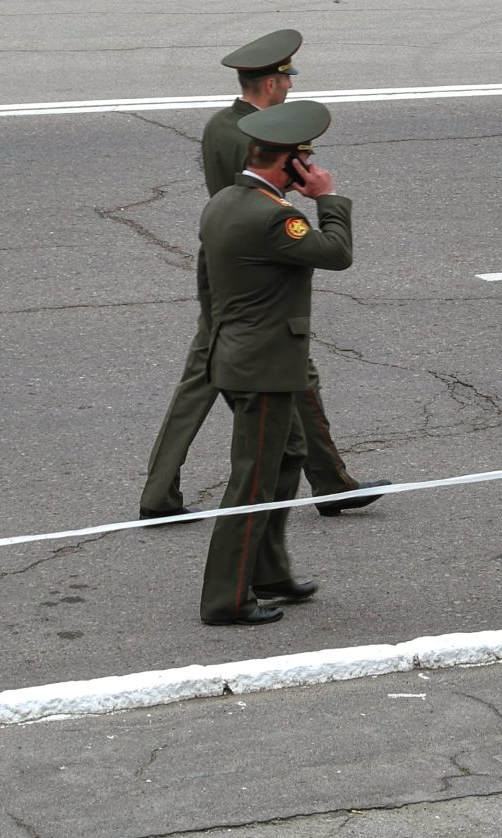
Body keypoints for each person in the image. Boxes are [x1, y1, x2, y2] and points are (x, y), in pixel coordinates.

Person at [139, 29, 389, 522]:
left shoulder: (220, 123)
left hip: (222, 261)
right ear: (272, 84)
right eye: (287, 80)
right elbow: (262, 197)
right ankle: (331, 484)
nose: (291, 88)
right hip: (255, 270)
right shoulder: (259, 136)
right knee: (292, 374)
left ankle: (161, 492)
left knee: (203, 377)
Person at [197, 101, 354, 625]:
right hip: (262, 368)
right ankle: (226, 598)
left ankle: (268, 571)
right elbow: (335, 252)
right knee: (252, 483)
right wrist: (327, 197)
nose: (308, 171)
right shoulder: (274, 215)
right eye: (303, 162)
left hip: (243, 359)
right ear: (286, 163)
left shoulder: (224, 201)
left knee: (288, 459)